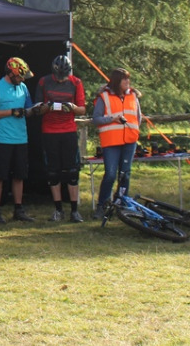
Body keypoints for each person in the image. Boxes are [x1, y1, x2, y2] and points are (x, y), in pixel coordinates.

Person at [0, 57, 37, 224]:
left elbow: (27, 110)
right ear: (11, 73)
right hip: (3, 139)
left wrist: (38, 109)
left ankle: (18, 209)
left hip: (21, 138)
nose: (22, 80)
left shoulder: (23, 87)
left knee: (19, 176)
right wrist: (10, 112)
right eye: (20, 76)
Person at [35, 54, 87, 222]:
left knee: (72, 171)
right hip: (49, 131)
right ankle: (58, 209)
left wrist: (71, 107)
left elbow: (82, 109)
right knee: (53, 171)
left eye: (64, 77)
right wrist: (47, 107)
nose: (61, 80)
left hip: (68, 130)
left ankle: (74, 210)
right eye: (59, 77)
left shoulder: (76, 83)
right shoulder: (44, 82)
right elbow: (36, 108)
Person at [92, 67, 142, 218]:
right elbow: (96, 118)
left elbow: (138, 117)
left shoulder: (133, 96)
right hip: (111, 142)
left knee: (125, 174)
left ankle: (121, 202)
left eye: (128, 78)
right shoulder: (104, 97)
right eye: (124, 79)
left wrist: (134, 131)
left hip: (130, 140)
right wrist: (112, 119)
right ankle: (102, 204)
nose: (128, 81)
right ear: (116, 81)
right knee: (110, 174)